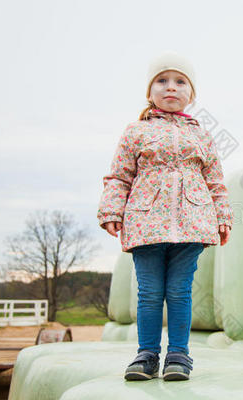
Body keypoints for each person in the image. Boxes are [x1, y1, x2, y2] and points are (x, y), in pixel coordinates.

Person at [96, 50, 233, 381]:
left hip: (192, 224)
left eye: (180, 81)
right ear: (150, 91)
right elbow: (119, 175)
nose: (171, 87)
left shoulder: (201, 135)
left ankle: (179, 356)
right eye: (162, 80)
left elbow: (215, 179)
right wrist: (112, 209)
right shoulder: (136, 132)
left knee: (180, 291)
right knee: (150, 292)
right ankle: (146, 355)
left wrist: (222, 216)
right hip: (146, 224)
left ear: (191, 93)